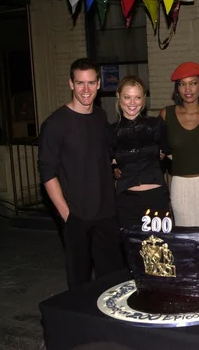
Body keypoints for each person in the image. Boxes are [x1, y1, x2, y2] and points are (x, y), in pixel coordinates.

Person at [38, 58, 123, 289]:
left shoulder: (100, 117)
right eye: (80, 83)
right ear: (71, 84)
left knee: (113, 280)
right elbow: (47, 173)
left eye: (91, 83)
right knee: (80, 283)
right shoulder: (54, 124)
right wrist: (67, 216)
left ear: (98, 84)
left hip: (106, 214)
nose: (86, 89)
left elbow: (102, 158)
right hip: (77, 216)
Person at [160, 62, 199, 227]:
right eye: (182, 84)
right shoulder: (166, 114)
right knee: (186, 242)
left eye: (193, 83)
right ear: (176, 88)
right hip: (181, 187)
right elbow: (158, 151)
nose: (188, 89)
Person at [108, 76, 171, 228]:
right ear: (118, 97)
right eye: (127, 97)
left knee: (159, 248)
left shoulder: (156, 125)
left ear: (143, 99)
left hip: (156, 197)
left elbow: (171, 154)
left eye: (137, 97)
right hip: (126, 199)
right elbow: (104, 162)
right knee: (131, 248)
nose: (132, 103)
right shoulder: (110, 131)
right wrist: (114, 170)